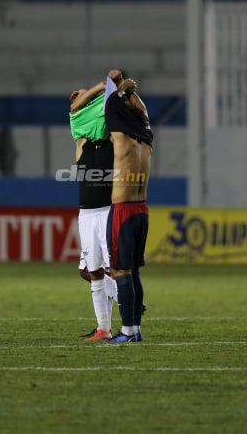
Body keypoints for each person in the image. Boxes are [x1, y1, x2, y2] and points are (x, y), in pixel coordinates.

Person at [102, 69, 154, 344]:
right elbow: (143, 113)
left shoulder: (120, 136)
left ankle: (127, 331)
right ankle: (136, 330)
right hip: (141, 210)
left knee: (120, 271)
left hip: (122, 210)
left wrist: (117, 82)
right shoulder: (146, 138)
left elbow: (109, 100)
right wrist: (132, 92)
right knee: (133, 271)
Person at [69, 81, 118, 343]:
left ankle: (128, 306)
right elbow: (75, 108)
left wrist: (105, 90)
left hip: (108, 211)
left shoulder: (111, 140)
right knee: (91, 270)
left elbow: (111, 113)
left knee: (112, 269)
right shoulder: (80, 141)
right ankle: (104, 327)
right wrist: (96, 89)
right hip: (87, 214)